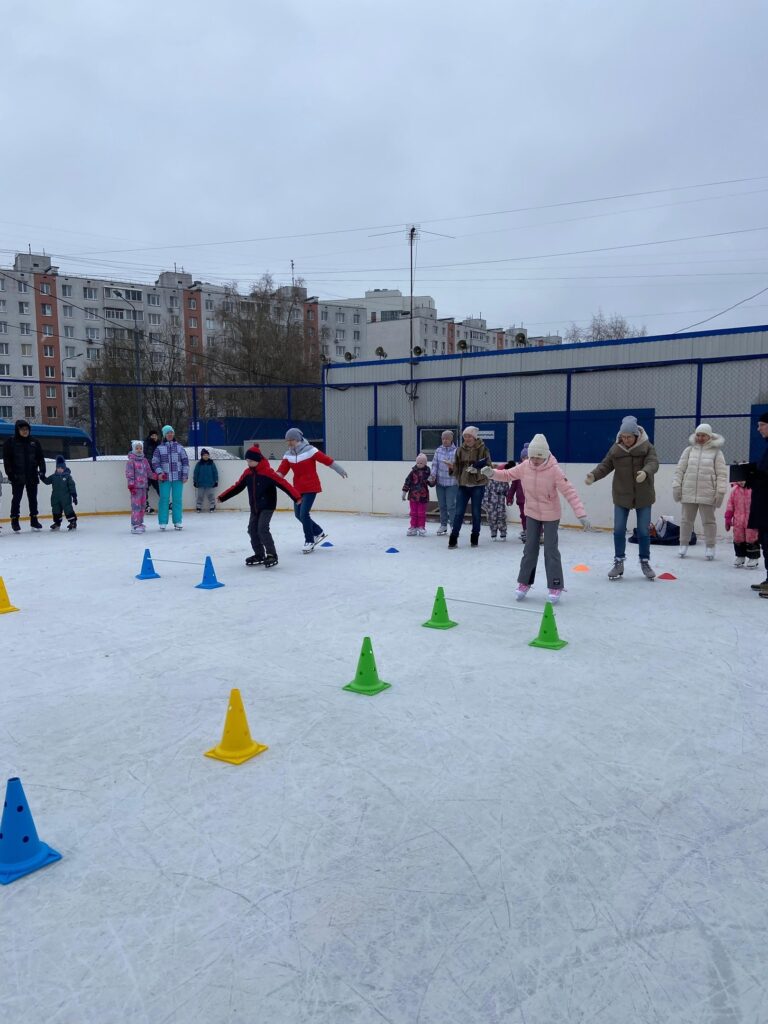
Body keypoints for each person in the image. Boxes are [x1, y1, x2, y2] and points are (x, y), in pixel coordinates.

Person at [491, 434, 589, 602]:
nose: (535, 460)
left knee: (550, 550)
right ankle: (524, 582)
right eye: (532, 456)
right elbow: (507, 475)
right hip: (532, 513)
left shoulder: (554, 470)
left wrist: (581, 513)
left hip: (551, 515)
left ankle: (555, 585)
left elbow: (569, 492)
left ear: (545, 455)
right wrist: (490, 473)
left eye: (538, 456)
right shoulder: (524, 466)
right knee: (530, 549)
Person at [586, 414, 659, 580]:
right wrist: (593, 476)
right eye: (623, 437)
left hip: (643, 495)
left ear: (636, 435)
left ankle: (645, 561)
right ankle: (619, 562)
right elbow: (605, 465)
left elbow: (654, 462)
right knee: (618, 529)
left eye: (629, 437)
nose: (625, 440)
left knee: (643, 530)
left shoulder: (647, 447)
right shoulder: (616, 449)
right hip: (621, 495)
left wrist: (646, 472)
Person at [218, 444, 301, 568]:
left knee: (262, 529)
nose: (248, 463)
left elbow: (284, 484)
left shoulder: (268, 473)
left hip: (268, 505)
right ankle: (259, 554)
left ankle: (272, 554)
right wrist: (223, 497)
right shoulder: (247, 473)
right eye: (247, 461)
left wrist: (297, 497)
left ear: (257, 460)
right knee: (252, 529)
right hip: (255, 507)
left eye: (251, 461)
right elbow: (237, 487)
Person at [276, 427, 348, 553]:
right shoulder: (288, 455)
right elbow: (282, 471)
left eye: (291, 440)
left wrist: (339, 469)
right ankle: (318, 531)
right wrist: (273, 478)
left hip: (310, 487)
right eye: (287, 440)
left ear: (297, 439)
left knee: (304, 514)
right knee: (298, 515)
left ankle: (309, 540)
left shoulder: (310, 450)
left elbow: (327, 460)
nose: (289, 443)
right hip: (297, 489)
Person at [672, 423, 728, 560]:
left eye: (703, 435)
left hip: (707, 492)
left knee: (709, 521)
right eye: (698, 435)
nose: (700, 438)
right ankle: (683, 544)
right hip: (688, 491)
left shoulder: (716, 452)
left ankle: (710, 546)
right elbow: (680, 470)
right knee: (686, 520)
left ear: (709, 436)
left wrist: (720, 492)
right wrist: (676, 486)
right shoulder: (689, 451)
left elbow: (722, 474)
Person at [448, 426, 493, 548]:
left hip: (478, 485)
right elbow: (457, 467)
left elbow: (489, 468)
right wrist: (452, 469)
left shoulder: (483, 449)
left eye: (469, 436)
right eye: (465, 436)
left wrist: (477, 472)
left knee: (476, 512)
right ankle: (453, 538)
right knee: (459, 512)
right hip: (463, 485)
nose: (466, 439)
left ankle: (474, 537)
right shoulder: (460, 450)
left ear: (474, 437)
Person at [2, 418, 46, 532]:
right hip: (17, 476)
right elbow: (7, 460)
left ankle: (34, 520)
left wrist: (42, 471)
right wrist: (10, 474)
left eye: (27, 429)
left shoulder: (35, 442)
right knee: (16, 499)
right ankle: (15, 520)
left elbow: (40, 458)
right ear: (17, 430)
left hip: (32, 475)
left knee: (33, 499)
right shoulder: (10, 442)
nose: (25, 431)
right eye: (22, 429)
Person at [746, 410, 768, 597]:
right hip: (763, 504)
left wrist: (755, 476)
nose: (758, 428)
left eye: (762, 424)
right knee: (766, 541)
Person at [151, 425, 189, 531]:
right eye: (168, 433)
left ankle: (177, 521)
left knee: (177, 499)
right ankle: (163, 522)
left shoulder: (180, 447)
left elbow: (185, 461)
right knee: (164, 499)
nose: (170, 434)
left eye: (171, 432)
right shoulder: (159, 448)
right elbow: (155, 462)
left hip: (178, 477)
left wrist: (185, 475)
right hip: (164, 478)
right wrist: (159, 473)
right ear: (164, 435)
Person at [724, 480, 760, 568]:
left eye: (743, 480)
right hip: (738, 521)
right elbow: (730, 505)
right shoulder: (735, 490)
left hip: (751, 519)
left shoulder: (753, 489)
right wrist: (728, 517)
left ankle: (753, 558)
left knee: (751, 538)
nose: (741, 482)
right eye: (739, 480)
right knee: (738, 538)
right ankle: (740, 556)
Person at [429, 430, 458, 536]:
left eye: (447, 438)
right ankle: (443, 525)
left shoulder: (456, 451)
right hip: (440, 483)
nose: (445, 440)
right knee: (442, 505)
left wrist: (451, 465)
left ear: (451, 439)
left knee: (451, 505)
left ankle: (454, 526)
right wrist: (433, 475)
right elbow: (435, 464)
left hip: (452, 483)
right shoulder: (438, 450)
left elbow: (458, 466)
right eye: (443, 438)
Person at [125, 440, 158, 534]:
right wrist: (131, 485)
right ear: (133, 449)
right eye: (137, 448)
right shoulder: (131, 461)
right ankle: (134, 525)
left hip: (144, 487)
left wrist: (157, 476)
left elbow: (149, 472)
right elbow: (129, 474)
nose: (139, 450)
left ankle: (140, 523)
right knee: (136, 506)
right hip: (135, 488)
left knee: (143, 506)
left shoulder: (144, 460)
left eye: (140, 448)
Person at [40, 455, 78, 530]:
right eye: (58, 468)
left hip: (66, 498)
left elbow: (72, 486)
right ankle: (57, 523)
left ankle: (72, 522)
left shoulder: (67, 477)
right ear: (56, 468)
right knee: (56, 510)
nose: (59, 469)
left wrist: (74, 496)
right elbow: (47, 481)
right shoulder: (54, 476)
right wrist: (42, 477)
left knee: (68, 510)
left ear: (64, 468)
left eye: (61, 468)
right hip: (55, 498)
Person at [402, 453, 432, 536]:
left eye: (421, 463)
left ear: (425, 463)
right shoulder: (412, 472)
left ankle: (421, 527)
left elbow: (431, 484)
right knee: (413, 512)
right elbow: (407, 482)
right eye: (418, 463)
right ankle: (413, 527)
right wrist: (404, 492)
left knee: (421, 512)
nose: (419, 464)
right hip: (413, 496)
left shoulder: (427, 472)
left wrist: (433, 480)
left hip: (423, 496)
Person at [482, 460, 513, 540]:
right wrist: (485, 503)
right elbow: (486, 492)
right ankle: (493, 532)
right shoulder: (490, 482)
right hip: (492, 502)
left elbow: (507, 491)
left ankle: (503, 532)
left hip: (501, 501)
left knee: (501, 516)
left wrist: (509, 500)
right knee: (492, 517)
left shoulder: (504, 481)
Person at [508, 443, 528, 541]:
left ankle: (539, 533)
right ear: (521, 458)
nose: (526, 459)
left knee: (535, 517)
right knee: (524, 516)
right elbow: (514, 485)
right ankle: (526, 531)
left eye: (528, 457)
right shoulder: (518, 470)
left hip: (533, 499)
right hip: (521, 499)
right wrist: (509, 497)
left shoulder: (536, 469)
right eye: (524, 457)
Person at [193, 448, 219, 512]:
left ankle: (212, 506)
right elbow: (196, 473)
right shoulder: (199, 464)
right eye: (204, 455)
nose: (206, 456)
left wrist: (216, 481)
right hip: (200, 483)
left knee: (210, 495)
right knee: (200, 495)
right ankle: (198, 506)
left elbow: (215, 472)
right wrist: (195, 481)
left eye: (207, 455)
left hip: (210, 483)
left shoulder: (211, 463)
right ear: (202, 456)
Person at [143, 429, 161, 513]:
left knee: (159, 487)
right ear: (149, 436)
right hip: (147, 471)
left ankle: (166, 503)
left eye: (155, 435)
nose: (154, 437)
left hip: (156, 471)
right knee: (145, 488)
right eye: (152, 435)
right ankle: (146, 505)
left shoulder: (159, 444)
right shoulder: (145, 443)